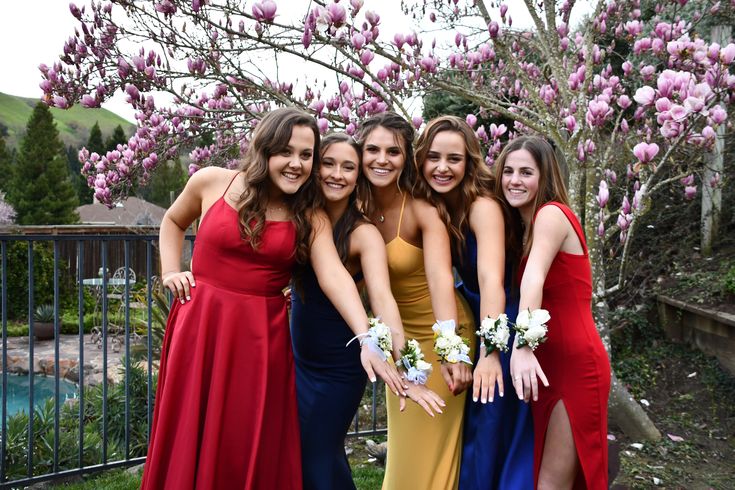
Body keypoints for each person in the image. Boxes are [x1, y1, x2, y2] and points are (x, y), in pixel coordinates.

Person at [141, 108, 400, 489]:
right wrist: (169, 270)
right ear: (264, 149)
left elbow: (335, 277)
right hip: (200, 327)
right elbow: (173, 221)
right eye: (286, 151)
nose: (296, 164)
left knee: (244, 437)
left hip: (260, 340)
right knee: (189, 429)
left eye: (306, 155)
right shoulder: (211, 181)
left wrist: (366, 338)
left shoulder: (310, 216)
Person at [291, 133, 443, 490]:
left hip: (339, 367)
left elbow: (383, 299)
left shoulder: (364, 234)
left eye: (348, 167)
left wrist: (406, 368)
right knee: (316, 455)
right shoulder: (302, 215)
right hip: (297, 360)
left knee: (315, 456)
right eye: (328, 163)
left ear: (358, 176)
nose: (336, 174)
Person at [415, 115, 535, 489]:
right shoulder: (433, 206)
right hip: (471, 312)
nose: (442, 167)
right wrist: (451, 348)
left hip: (503, 317)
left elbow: (491, 281)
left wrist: (489, 353)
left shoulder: (482, 205)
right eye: (434, 157)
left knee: (492, 422)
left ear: (469, 162)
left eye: (454, 158)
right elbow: (438, 278)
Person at [356, 112, 474, 490]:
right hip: (399, 341)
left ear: (407, 158)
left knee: (430, 455)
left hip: (442, 337)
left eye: (393, 151)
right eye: (372, 149)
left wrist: (450, 349)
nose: (382, 159)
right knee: (406, 457)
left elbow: (442, 281)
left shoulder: (423, 210)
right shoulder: (354, 207)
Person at [496, 136, 611, 489]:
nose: (514, 180)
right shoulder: (526, 226)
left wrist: (523, 345)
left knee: (552, 483)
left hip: (575, 367)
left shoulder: (551, 214)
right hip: (548, 368)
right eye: (508, 171)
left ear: (544, 177)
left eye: (526, 172)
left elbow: (534, 279)